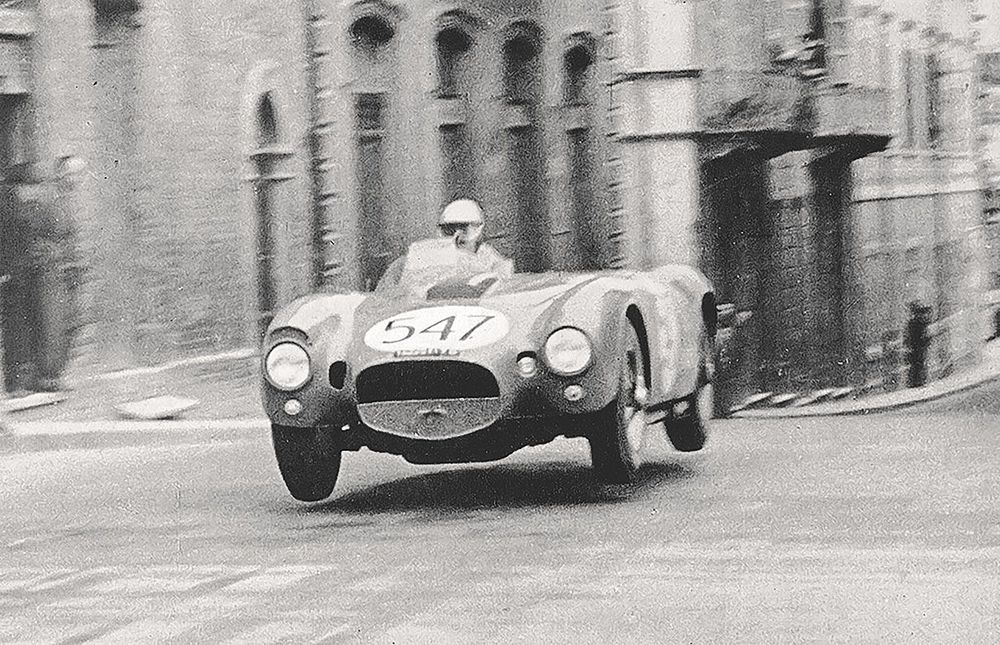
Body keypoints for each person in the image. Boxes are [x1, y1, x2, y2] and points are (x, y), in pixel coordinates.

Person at [436, 198, 513, 276]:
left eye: (463, 228)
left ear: (477, 227)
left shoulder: (486, 254)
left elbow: (503, 270)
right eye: (450, 229)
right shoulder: (440, 254)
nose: (457, 234)